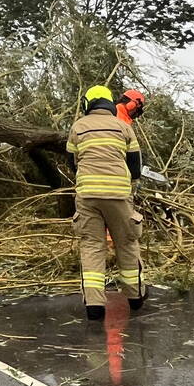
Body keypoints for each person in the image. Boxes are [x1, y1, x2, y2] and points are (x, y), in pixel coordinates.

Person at [67, 85, 147, 321]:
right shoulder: (123, 126)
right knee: (127, 243)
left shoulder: (78, 127)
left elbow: (72, 162)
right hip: (118, 195)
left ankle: (94, 306)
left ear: (88, 103)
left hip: (88, 195)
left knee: (92, 246)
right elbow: (135, 166)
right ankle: (135, 298)